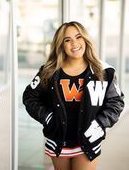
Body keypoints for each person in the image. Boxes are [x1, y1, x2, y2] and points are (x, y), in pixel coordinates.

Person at [23, 21, 124, 170]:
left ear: (85, 39)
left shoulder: (104, 71)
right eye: (67, 40)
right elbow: (29, 96)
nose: (74, 43)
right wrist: (47, 117)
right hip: (58, 141)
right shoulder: (49, 71)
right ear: (61, 45)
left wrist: (101, 123)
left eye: (78, 37)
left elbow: (116, 102)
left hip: (88, 142)